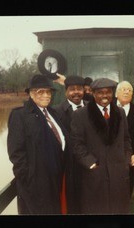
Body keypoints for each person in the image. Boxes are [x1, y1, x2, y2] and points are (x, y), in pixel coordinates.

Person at [7, 74, 69, 215]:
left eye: (49, 92)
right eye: (41, 92)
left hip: (55, 182)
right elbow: (16, 153)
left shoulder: (53, 113)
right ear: (31, 94)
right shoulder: (20, 115)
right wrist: (29, 180)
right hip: (36, 186)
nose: (46, 95)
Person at [70, 77, 133, 214]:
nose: (105, 96)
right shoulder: (80, 114)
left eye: (108, 92)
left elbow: (126, 139)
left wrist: (126, 161)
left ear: (113, 93)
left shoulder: (120, 113)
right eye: (100, 92)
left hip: (118, 176)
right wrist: (91, 163)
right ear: (93, 94)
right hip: (94, 176)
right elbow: (76, 144)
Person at [53, 75, 87, 214]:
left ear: (84, 90)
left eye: (79, 89)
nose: (76, 92)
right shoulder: (56, 111)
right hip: (68, 168)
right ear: (66, 91)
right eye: (72, 89)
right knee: (71, 204)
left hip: (89, 165)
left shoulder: (92, 108)